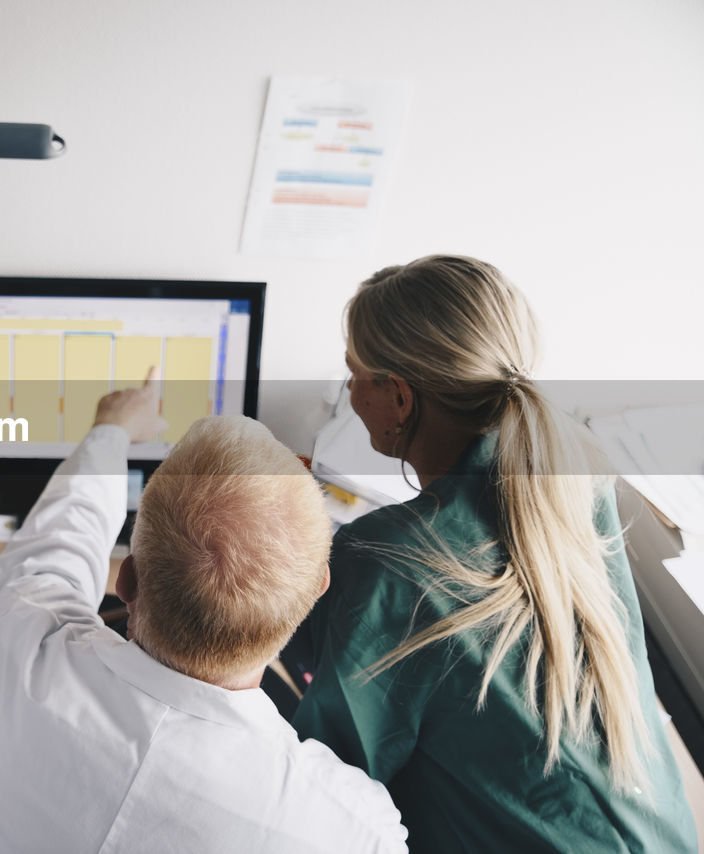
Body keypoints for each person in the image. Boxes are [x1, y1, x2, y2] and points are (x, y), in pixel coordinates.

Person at [292, 255, 698, 852]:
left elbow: (324, 783)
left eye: (354, 373)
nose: (349, 388)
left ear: (399, 398)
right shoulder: (577, 479)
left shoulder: (385, 559)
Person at [0, 371, 408, 852]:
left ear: (126, 580)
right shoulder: (349, 827)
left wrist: (111, 428)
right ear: (315, 593)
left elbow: (63, 535)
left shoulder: (16, 634)